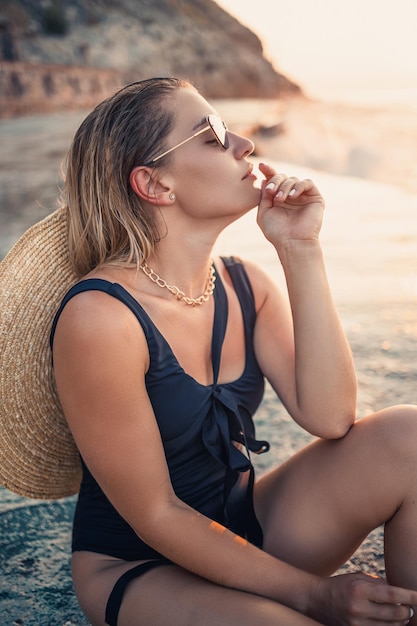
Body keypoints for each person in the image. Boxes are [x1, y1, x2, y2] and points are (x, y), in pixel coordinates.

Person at [6, 77, 417, 625]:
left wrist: (300, 248)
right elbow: (156, 514)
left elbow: (332, 416)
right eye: (214, 135)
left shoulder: (246, 285)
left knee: (408, 437)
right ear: (155, 184)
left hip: (246, 526)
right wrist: (314, 595)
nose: (244, 144)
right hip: (143, 566)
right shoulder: (101, 318)